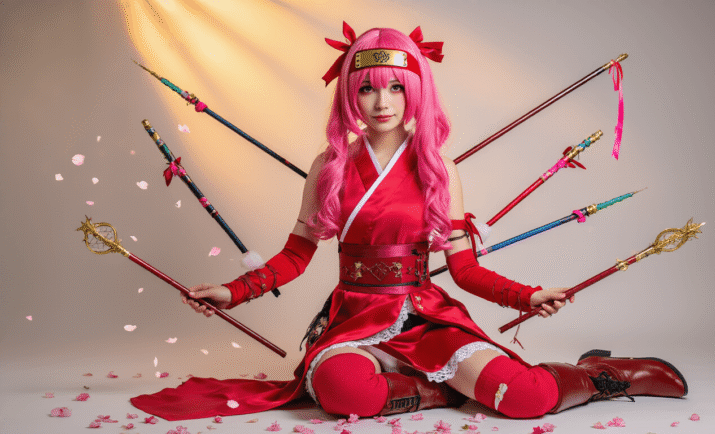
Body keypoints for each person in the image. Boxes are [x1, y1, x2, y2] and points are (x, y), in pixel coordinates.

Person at [131, 23, 686, 421]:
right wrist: (234, 291)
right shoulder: (330, 166)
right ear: (351, 92)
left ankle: (598, 375)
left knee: (527, 400)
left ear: (416, 88)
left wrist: (527, 295)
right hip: (354, 319)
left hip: (426, 315)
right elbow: (297, 255)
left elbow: (464, 271)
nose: (381, 101)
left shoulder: (439, 166)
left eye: (396, 86)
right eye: (367, 86)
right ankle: (444, 390)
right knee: (342, 392)